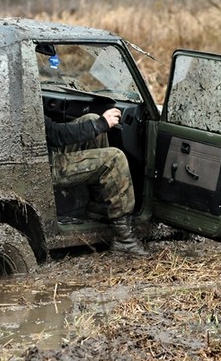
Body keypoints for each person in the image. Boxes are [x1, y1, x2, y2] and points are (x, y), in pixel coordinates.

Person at [45, 107, 147, 257]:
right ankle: (124, 240)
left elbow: (49, 132)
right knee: (114, 158)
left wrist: (97, 124)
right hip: (47, 165)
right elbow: (54, 133)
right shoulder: (17, 97)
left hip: (44, 152)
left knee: (90, 118)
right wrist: (99, 125)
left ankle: (98, 207)